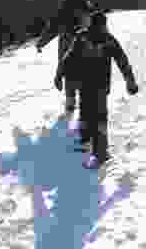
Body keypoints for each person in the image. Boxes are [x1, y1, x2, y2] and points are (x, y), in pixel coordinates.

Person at [54, 10, 138, 167]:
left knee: (91, 114)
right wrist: (130, 81)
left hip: (89, 85)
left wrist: (59, 75)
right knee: (93, 114)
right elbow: (122, 60)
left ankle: (98, 150)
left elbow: (68, 58)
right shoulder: (103, 39)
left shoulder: (85, 37)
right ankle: (91, 144)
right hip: (95, 85)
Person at [36, 0, 93, 115]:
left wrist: (41, 43)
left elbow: (52, 28)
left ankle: (71, 101)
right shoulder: (87, 8)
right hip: (86, 46)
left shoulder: (64, 9)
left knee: (69, 72)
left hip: (67, 46)